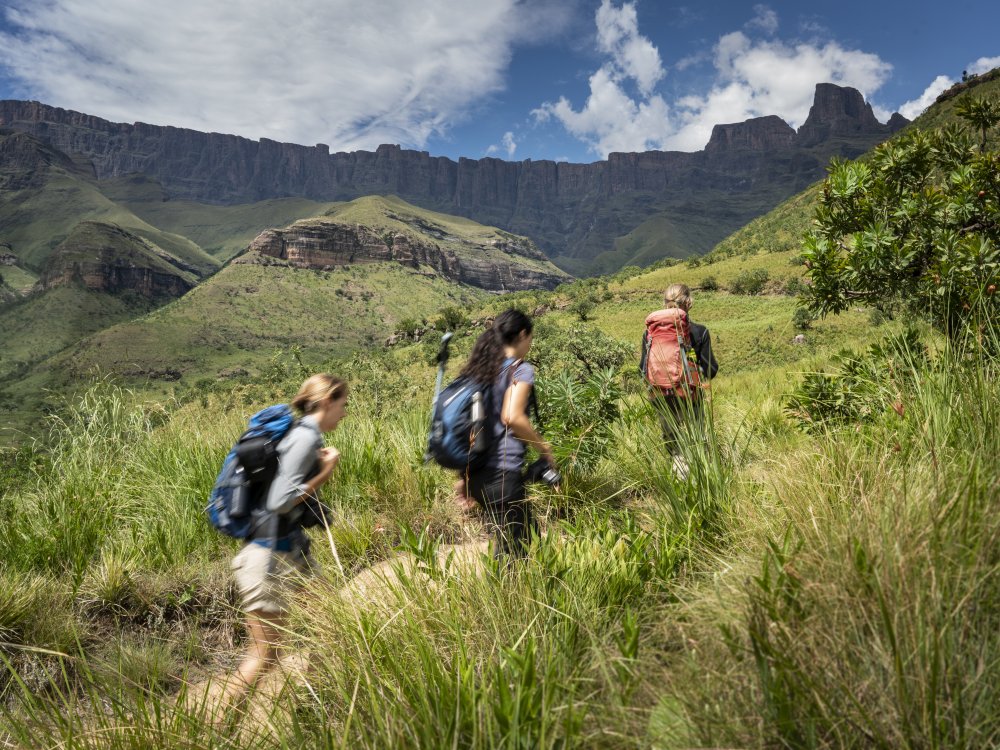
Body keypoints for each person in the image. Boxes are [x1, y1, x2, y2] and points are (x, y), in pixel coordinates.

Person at [223, 373, 347, 704]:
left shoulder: (301, 436)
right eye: (342, 405)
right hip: (269, 560)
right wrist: (326, 471)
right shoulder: (305, 438)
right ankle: (209, 733)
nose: (344, 413)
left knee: (335, 622)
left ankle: (316, 706)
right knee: (263, 658)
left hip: (288, 553)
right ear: (326, 402)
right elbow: (280, 501)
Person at [462, 309, 552, 560]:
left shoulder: (480, 370)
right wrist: (544, 447)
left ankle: (523, 591)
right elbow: (512, 417)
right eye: (530, 337)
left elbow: (470, 425)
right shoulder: (519, 370)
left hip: (477, 476)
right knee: (514, 555)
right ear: (523, 334)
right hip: (502, 474)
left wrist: (464, 476)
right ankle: (506, 598)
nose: (530, 343)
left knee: (526, 536)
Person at [641, 283, 718, 474]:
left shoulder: (650, 333)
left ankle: (679, 482)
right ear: (689, 303)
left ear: (664, 303)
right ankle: (701, 481)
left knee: (674, 444)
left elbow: (642, 370)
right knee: (697, 441)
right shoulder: (700, 332)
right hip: (690, 397)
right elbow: (710, 370)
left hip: (661, 397)